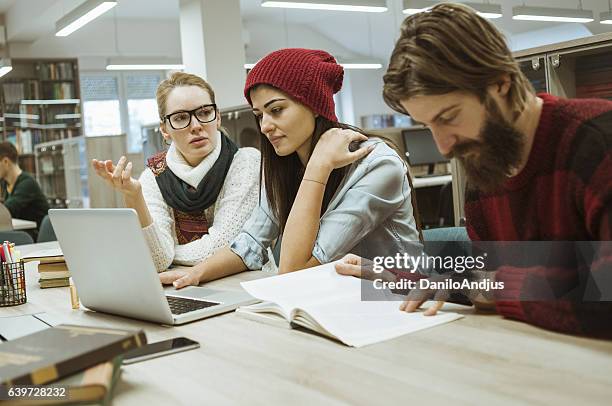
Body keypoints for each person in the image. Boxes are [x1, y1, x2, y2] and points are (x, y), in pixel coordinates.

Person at [337, 2, 612, 337]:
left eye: (448, 117)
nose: (443, 146)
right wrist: (396, 273)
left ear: (500, 83)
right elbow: (495, 276)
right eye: (427, 125)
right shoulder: (486, 159)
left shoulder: (598, 142)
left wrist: (494, 285)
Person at [160, 48, 421, 288]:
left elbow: (293, 271)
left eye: (276, 110)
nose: (265, 126)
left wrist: (318, 167)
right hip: (334, 298)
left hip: (398, 300)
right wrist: (195, 274)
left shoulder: (376, 164)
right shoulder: (284, 165)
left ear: (314, 105)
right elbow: (251, 243)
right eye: (260, 115)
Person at [92, 72, 260, 272]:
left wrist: (168, 251)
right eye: (181, 118)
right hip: (185, 287)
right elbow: (157, 262)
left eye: (205, 113)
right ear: (164, 129)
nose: (196, 126)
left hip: (248, 288)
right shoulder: (154, 177)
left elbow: (222, 246)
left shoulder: (246, 162)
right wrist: (134, 197)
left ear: (218, 118)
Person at [0, 141, 49, 237]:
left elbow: (7, 210)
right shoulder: (5, 184)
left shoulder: (27, 183)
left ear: (6, 162)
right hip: (20, 233)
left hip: (36, 236)